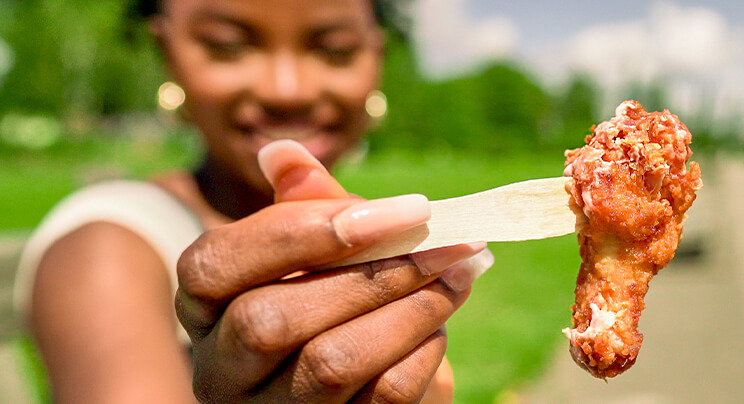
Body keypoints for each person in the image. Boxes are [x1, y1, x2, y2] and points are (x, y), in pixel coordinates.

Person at [11, 0, 494, 402]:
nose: (287, 90)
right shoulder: (106, 246)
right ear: (167, 54)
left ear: (376, 57)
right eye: (228, 46)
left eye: (335, 50)